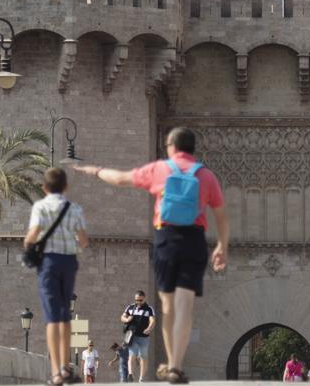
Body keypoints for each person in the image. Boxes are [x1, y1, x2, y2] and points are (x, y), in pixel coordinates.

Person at [76, 127, 229, 385]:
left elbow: (121, 179)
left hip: (165, 239)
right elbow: (222, 216)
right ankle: (177, 365)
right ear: (192, 148)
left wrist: (96, 171)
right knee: (185, 306)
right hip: (194, 240)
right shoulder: (205, 175)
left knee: (167, 307)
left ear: (170, 146)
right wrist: (222, 246)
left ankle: (170, 365)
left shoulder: (160, 169)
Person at [24, 167, 89, 385]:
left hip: (49, 263)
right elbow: (84, 240)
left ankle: (56, 373)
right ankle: (65, 366)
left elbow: (32, 235)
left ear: (44, 187)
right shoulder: (74, 209)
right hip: (69, 262)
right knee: (65, 314)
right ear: (66, 187)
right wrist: (74, 246)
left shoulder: (40, 207)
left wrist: (28, 247)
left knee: (52, 316)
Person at [121, 290, 156, 382]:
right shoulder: (130, 307)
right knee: (132, 355)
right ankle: (130, 374)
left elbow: (152, 320)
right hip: (132, 336)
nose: (138, 302)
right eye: (137, 300)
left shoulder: (149, 309)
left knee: (143, 357)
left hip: (144, 337)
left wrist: (149, 328)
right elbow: (122, 317)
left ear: (144, 298)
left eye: (140, 300)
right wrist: (127, 319)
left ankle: (141, 378)